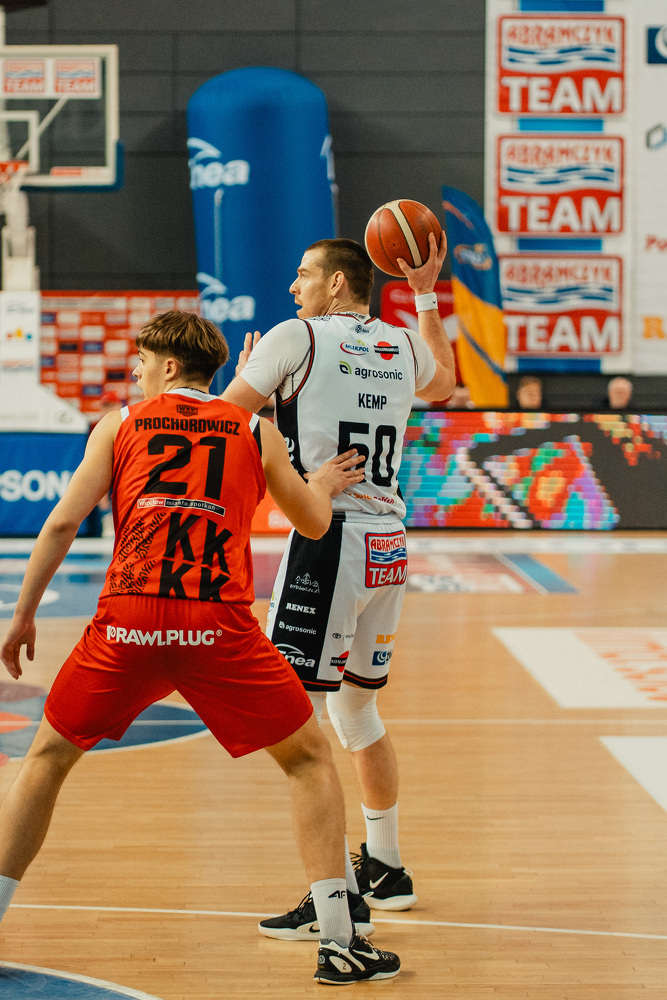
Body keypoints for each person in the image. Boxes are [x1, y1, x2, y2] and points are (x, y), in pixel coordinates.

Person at [0, 310, 401, 986]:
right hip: (216, 625)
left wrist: (23, 615)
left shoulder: (121, 424)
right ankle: (340, 942)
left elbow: (64, 522)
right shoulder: (252, 428)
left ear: (166, 366)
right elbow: (312, 523)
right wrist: (321, 487)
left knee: (45, 760)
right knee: (308, 761)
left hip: (129, 621)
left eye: (140, 362)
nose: (135, 372)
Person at [222, 235, 456, 938]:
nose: (293, 286)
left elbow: (222, 427)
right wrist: (424, 294)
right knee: (357, 712)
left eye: (304, 275)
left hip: (328, 538)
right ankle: (385, 865)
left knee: (294, 722)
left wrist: (259, 408)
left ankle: (337, 895)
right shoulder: (399, 343)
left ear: (336, 285)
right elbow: (442, 384)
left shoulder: (294, 337)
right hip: (388, 543)